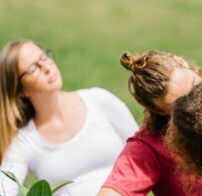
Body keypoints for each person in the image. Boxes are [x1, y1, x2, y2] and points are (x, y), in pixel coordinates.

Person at [0, 40, 139, 196]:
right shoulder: (25, 141)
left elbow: (143, 154)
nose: (47, 67)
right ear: (20, 90)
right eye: (33, 68)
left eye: (44, 57)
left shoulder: (99, 101)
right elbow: (4, 188)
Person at [98, 50, 202, 196]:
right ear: (161, 111)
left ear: (181, 61)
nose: (199, 103)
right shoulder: (150, 147)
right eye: (182, 105)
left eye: (195, 84)